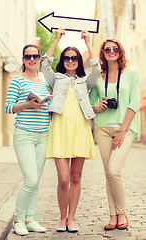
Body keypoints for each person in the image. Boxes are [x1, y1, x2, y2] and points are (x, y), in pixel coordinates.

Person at [41, 28, 101, 233]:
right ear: (63, 60)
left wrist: (88, 43)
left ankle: (72, 218)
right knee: (63, 178)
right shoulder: (56, 79)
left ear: (78, 60)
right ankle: (62, 217)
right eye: (66, 57)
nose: (70, 60)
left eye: (74, 57)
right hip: (60, 131)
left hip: (80, 131)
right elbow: (44, 65)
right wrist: (56, 40)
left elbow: (97, 69)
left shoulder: (85, 82)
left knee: (75, 178)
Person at [89, 38, 140, 230]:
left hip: (124, 129)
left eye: (115, 48)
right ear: (103, 53)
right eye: (107, 49)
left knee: (114, 170)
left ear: (120, 51)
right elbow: (91, 104)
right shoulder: (98, 76)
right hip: (102, 128)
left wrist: (122, 131)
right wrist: (97, 107)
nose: (112, 51)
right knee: (107, 174)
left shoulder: (131, 73)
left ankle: (122, 213)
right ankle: (113, 216)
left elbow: (134, 103)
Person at [5, 44, 51, 236]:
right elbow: (8, 107)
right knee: (30, 179)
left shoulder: (44, 82)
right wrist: (28, 104)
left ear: (40, 58)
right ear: (23, 59)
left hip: (43, 135)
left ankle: (29, 219)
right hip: (24, 134)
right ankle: (18, 220)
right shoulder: (17, 80)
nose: (32, 59)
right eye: (28, 56)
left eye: (35, 56)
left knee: (37, 180)